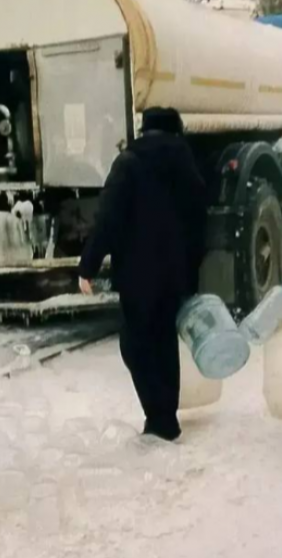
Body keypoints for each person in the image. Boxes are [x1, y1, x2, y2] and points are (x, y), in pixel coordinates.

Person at [78, 107, 207, 442]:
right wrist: (191, 266)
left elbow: (108, 218)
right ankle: (167, 415)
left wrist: (88, 265)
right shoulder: (186, 162)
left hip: (138, 273)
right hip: (175, 273)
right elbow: (199, 219)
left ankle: (158, 418)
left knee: (135, 345)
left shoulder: (129, 162)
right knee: (163, 341)